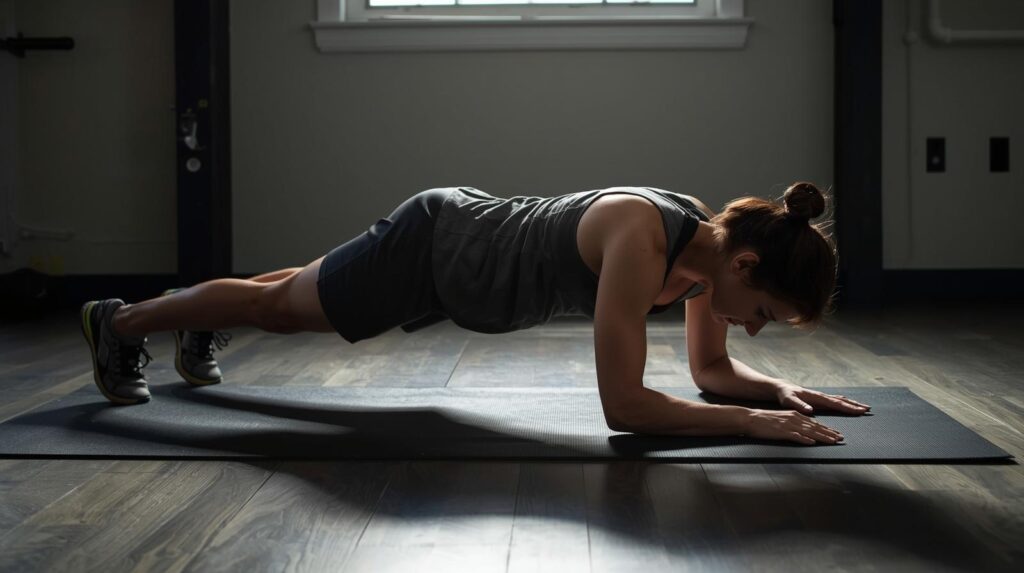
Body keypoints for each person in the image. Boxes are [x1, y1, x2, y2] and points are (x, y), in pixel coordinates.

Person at [80, 182, 870, 445]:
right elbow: (625, 407)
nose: (752, 327)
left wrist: (778, 394)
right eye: (762, 312)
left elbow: (709, 372)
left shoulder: (705, 256)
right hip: (438, 252)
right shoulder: (644, 235)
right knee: (280, 308)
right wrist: (750, 428)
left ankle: (187, 321)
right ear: (745, 265)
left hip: (459, 253)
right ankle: (117, 323)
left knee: (284, 294)